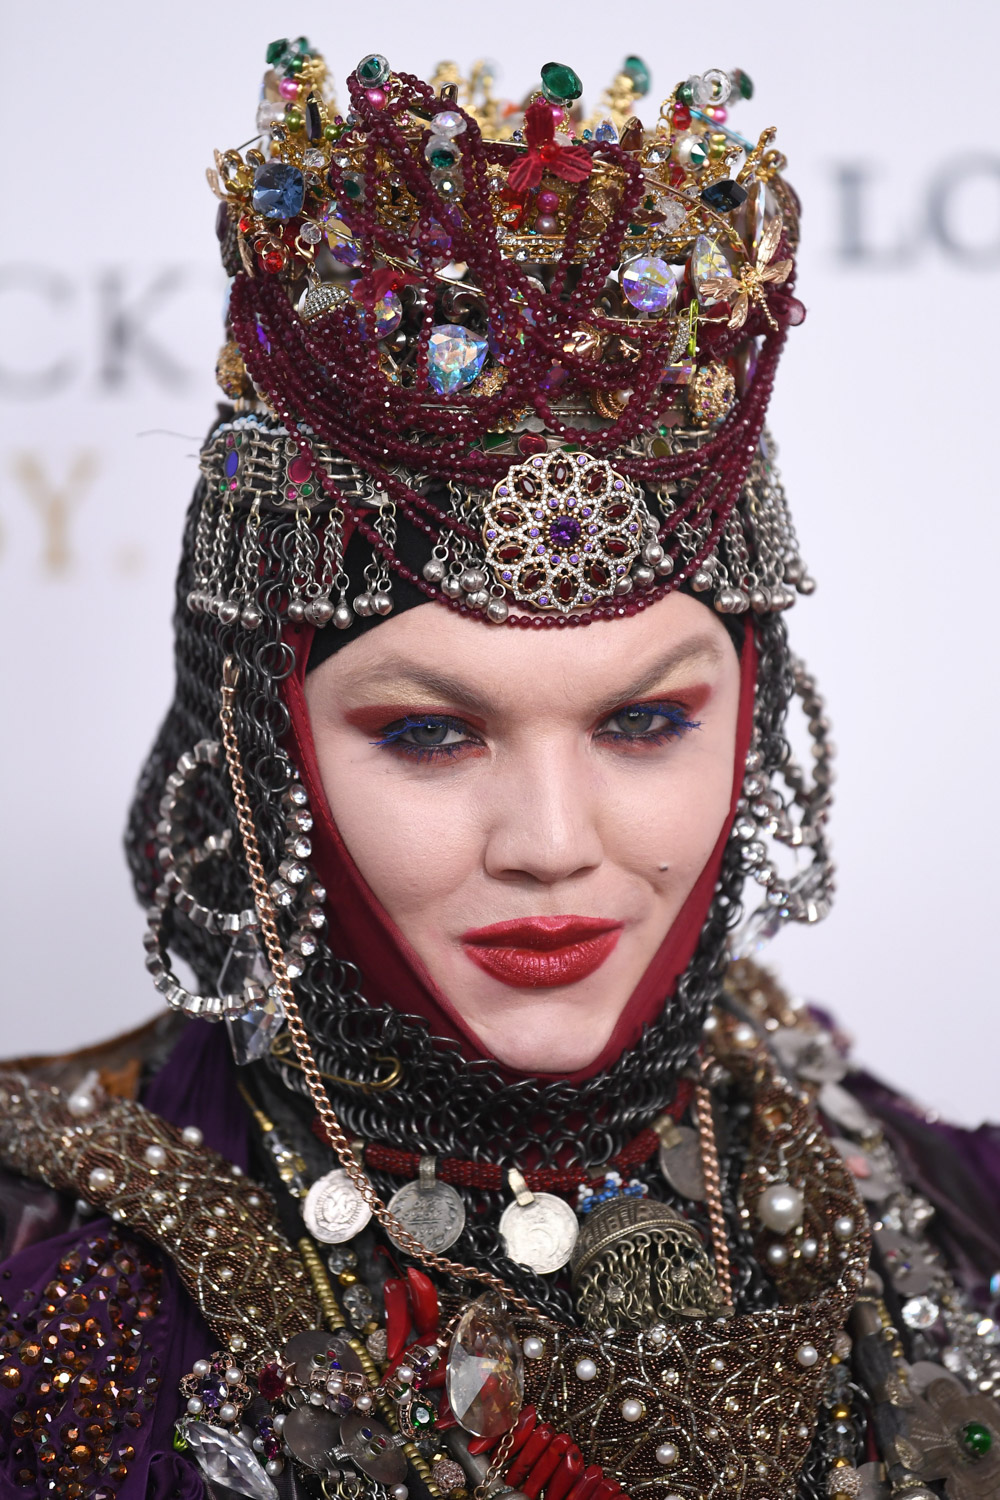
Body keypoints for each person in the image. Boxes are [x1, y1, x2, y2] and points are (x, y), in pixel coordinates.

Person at [1, 40, 998, 1500]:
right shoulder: (52, 1288)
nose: (549, 844)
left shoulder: (941, 1217)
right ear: (260, 743)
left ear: (750, 711)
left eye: (644, 724)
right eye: (429, 733)